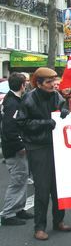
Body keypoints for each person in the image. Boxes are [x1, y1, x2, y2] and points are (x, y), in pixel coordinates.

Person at [16, 67, 71, 241]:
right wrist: (45, 123)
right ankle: (39, 227)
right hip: (38, 147)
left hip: (57, 146)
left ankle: (58, 221)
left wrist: (65, 112)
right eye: (49, 82)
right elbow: (22, 122)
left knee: (59, 187)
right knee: (42, 189)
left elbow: (64, 115)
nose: (54, 84)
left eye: (55, 81)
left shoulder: (57, 96)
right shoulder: (29, 98)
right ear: (38, 83)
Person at [0, 72, 34, 226]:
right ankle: (8, 213)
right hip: (14, 149)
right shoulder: (13, 103)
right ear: (22, 85)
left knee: (21, 178)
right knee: (18, 179)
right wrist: (20, 145)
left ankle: (19, 208)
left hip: (13, 146)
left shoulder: (11, 99)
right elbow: (10, 128)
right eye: (25, 82)